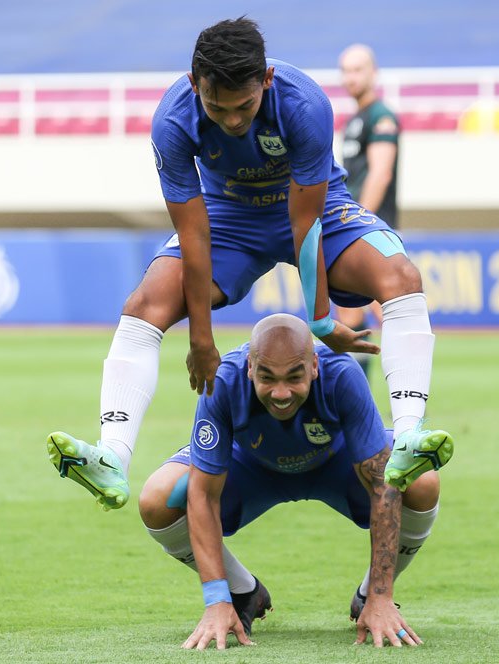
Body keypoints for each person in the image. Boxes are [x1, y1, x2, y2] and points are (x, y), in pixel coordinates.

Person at [45, 17, 450, 509]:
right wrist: (200, 338)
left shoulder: (306, 105)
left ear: (266, 81)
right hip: (227, 217)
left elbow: (305, 224)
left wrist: (321, 321)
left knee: (401, 276)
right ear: (195, 86)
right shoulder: (172, 120)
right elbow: (194, 233)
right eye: (217, 106)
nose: (232, 120)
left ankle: (408, 436)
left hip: (313, 208)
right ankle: (112, 456)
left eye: (244, 106)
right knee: (143, 305)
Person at [137, 314, 448, 649]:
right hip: (251, 468)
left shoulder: (342, 373)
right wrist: (216, 600)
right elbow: (203, 493)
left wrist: (382, 596)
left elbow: (381, 485)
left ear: (314, 366)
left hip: (338, 465)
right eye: (267, 377)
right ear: (249, 368)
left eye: (294, 377)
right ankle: (242, 593)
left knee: (422, 481)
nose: (281, 393)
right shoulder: (223, 381)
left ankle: (368, 597)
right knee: (157, 499)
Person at [336, 43, 401, 376]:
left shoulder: (380, 116)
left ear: (373, 73)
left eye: (358, 69)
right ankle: (356, 403)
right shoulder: (354, 121)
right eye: (345, 70)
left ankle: (408, 389)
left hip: (368, 230)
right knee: (349, 315)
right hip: (354, 228)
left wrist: (358, 222)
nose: (351, 77)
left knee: (387, 309)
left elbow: (381, 172)